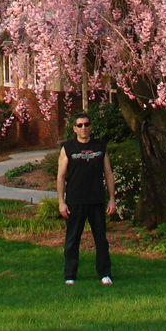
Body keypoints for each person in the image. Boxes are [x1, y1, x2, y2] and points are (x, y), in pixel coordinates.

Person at [57, 110, 117, 285]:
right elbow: (60, 176)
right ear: (74, 129)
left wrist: (112, 199)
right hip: (75, 201)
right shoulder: (68, 148)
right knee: (72, 239)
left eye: (86, 125)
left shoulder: (100, 146)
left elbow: (108, 173)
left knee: (101, 239)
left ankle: (105, 273)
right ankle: (70, 275)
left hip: (96, 200)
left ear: (90, 127)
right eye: (80, 125)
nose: (84, 128)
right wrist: (61, 202)